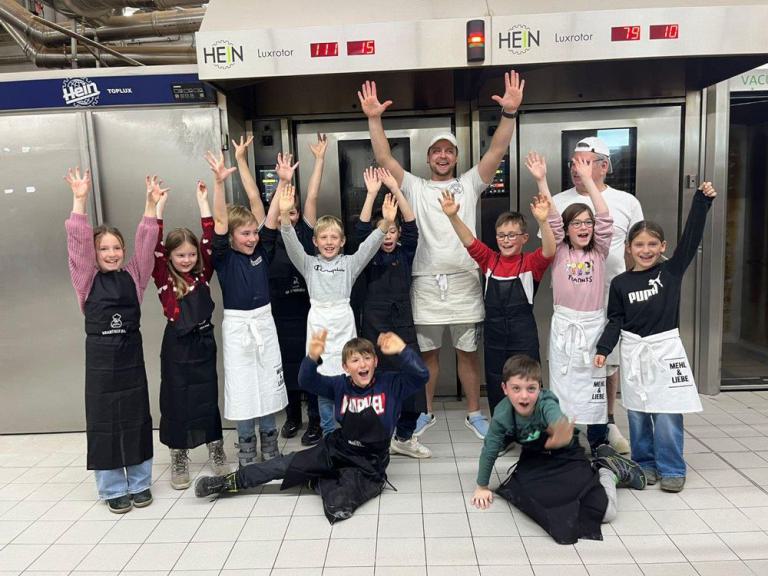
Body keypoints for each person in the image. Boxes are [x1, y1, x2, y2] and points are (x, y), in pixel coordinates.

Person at [359, 71, 525, 439]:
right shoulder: (415, 187)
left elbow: (497, 150)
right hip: (425, 282)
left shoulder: (469, 183)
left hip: (465, 280)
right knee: (428, 355)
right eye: (437, 151)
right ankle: (426, 411)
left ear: (456, 156)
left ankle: (474, 412)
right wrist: (373, 118)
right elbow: (383, 157)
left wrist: (510, 114)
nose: (443, 156)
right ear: (429, 157)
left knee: (468, 353)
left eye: (449, 151)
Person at [194, 330, 430, 523]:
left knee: (339, 505)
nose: (362, 364)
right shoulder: (339, 385)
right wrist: (312, 356)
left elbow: (421, 375)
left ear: (376, 362)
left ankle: (314, 479)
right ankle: (228, 482)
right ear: (346, 367)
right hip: (337, 448)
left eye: (367, 358)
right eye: (355, 360)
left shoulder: (391, 383)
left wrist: (402, 350)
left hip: (369, 462)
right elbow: (306, 380)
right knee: (283, 465)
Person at [595, 182, 717, 493]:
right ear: (628, 247)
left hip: (665, 351)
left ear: (662, 246)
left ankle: (672, 467)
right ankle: (645, 463)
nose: (646, 250)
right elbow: (615, 320)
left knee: (667, 413)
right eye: (639, 244)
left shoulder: (670, 273)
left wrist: (701, 202)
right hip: (634, 353)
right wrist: (603, 349)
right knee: (638, 413)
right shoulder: (621, 283)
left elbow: (690, 240)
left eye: (652, 244)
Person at [65, 168, 161, 514]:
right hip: (101, 368)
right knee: (104, 425)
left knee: (137, 420)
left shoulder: (134, 277)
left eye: (116, 247)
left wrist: (150, 206)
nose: (111, 253)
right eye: (103, 248)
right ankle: (112, 488)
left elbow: (146, 247)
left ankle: (139, 482)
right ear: (94, 254)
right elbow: (77, 246)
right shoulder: (85, 280)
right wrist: (79, 200)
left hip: (131, 365)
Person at [471, 355, 645, 545]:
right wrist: (482, 487)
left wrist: (560, 431)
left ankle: (608, 471)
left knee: (605, 512)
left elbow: (557, 419)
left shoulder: (546, 402)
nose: (524, 396)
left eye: (531, 388)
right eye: (516, 388)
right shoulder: (502, 414)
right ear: (505, 389)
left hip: (566, 457)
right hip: (535, 462)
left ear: (540, 388)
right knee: (529, 500)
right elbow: (490, 450)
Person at [549, 137, 644, 454]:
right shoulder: (560, 201)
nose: (577, 168)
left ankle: (606, 422)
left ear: (604, 165)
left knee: (607, 364)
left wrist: (635, 287)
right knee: (570, 370)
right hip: (571, 303)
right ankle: (571, 429)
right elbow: (550, 241)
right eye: (573, 163)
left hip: (611, 297)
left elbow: (636, 246)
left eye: (585, 162)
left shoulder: (625, 201)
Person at [278, 182, 395, 436]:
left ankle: (351, 432)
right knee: (324, 383)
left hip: (343, 325)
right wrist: (285, 217)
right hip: (319, 327)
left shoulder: (350, 264)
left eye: (334, 237)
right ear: (315, 241)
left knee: (348, 378)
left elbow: (368, 247)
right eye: (323, 237)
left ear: (342, 241)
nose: (329, 242)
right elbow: (291, 243)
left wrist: (385, 223)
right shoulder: (309, 264)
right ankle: (330, 435)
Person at [235, 136, 324, 447]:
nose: (291, 214)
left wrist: (319, 160)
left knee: (311, 365)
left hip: (307, 313)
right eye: (285, 209)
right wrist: (241, 160)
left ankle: (315, 419)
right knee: (284, 367)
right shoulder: (268, 234)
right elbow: (252, 196)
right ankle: (293, 417)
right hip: (277, 314)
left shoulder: (306, 232)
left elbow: (313, 194)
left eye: (294, 211)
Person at [439, 187, 555, 416]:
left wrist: (543, 221)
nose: (506, 240)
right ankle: (502, 427)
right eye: (501, 235)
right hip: (494, 338)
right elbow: (469, 241)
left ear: (524, 238)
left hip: (523, 337)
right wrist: (453, 216)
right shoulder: (489, 260)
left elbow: (550, 250)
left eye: (512, 235)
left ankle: (529, 428)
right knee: (496, 382)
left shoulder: (531, 263)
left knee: (526, 383)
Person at [526, 153, 614, 454]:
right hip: (565, 326)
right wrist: (541, 180)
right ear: (567, 228)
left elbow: (605, 218)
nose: (584, 227)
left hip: (592, 326)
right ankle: (567, 440)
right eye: (576, 223)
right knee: (564, 386)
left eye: (588, 223)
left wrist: (588, 180)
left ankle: (599, 441)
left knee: (594, 385)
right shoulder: (560, 250)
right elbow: (551, 217)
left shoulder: (599, 251)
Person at [206, 151, 286, 466]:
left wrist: (282, 183)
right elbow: (220, 221)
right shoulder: (224, 258)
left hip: (264, 322)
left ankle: (270, 442)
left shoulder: (263, 251)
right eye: (245, 233)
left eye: (254, 233)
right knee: (242, 387)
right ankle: (246, 446)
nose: (252, 238)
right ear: (231, 237)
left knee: (267, 384)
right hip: (239, 327)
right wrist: (218, 183)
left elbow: (270, 215)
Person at [151, 180, 228, 490]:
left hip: (204, 343)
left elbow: (209, 238)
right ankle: (178, 454)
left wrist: (203, 202)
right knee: (175, 398)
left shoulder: (202, 273)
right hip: (176, 346)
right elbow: (153, 246)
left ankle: (216, 448)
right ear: (169, 257)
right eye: (180, 255)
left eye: (191, 255)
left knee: (207, 397)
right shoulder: (162, 276)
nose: (187, 260)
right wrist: (158, 207)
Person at [357, 167, 429, 458]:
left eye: (392, 230)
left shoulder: (404, 253)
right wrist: (371, 194)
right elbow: (361, 231)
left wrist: (396, 191)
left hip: (402, 327)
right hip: (373, 328)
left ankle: (404, 437)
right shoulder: (367, 255)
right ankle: (377, 438)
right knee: (374, 384)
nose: (387, 235)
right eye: (383, 230)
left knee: (413, 381)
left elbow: (412, 226)